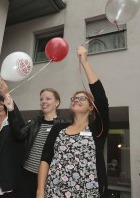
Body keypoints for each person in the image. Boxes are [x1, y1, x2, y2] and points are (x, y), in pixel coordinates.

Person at [37, 46, 110, 198]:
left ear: (91, 107)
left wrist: (85, 63)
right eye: (74, 98)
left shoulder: (98, 130)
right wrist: (40, 191)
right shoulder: (58, 128)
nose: (77, 99)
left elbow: (101, 99)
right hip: (53, 192)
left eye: (82, 98)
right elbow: (45, 159)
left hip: (88, 194)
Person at [0, 78, 69, 198]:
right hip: (26, 176)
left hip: (49, 178)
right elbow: (18, 135)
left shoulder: (64, 125)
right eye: (41, 99)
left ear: (57, 102)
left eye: (48, 99)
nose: (43, 101)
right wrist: (11, 109)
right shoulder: (35, 122)